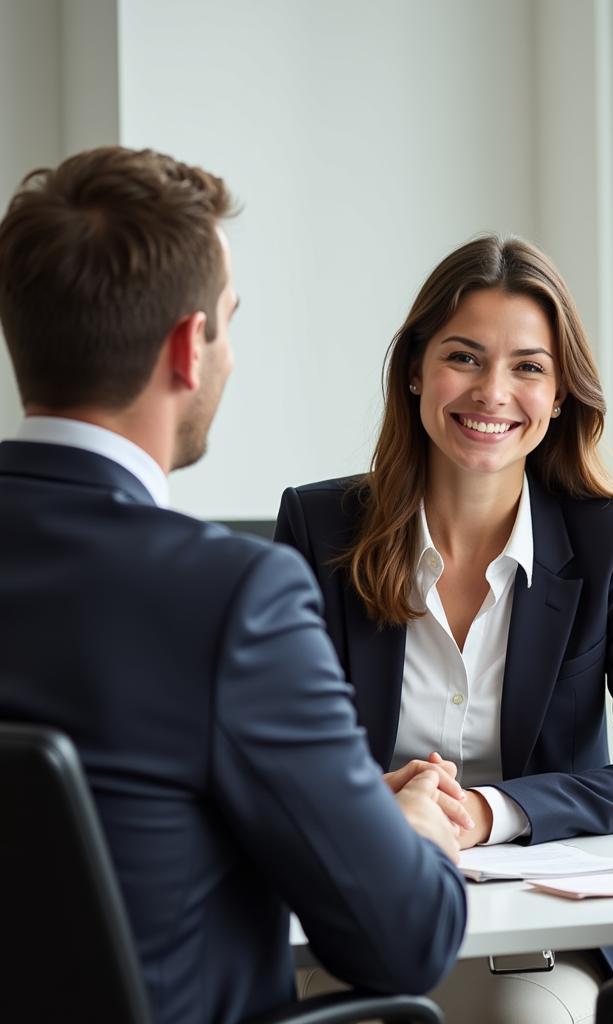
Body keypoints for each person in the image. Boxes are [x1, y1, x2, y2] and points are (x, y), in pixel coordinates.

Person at [0, 146, 465, 1024]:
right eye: (228, 322)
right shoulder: (231, 599)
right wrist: (413, 831)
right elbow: (404, 938)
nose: (231, 356)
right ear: (188, 346)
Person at [276, 234, 613, 1022]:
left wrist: (489, 812)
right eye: (465, 357)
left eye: (528, 367)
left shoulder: (610, 539)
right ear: (416, 370)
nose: (492, 393)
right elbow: (266, 762)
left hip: (542, 941)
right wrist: (374, 800)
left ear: (559, 393)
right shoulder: (317, 527)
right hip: (362, 922)